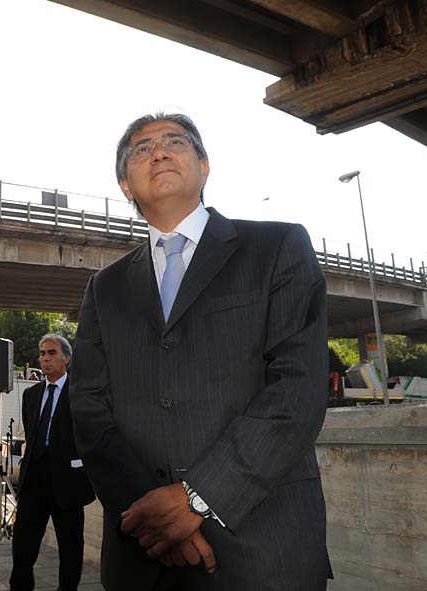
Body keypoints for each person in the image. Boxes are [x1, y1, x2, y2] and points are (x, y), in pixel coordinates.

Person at [69, 113, 330, 590]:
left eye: (175, 142)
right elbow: (89, 411)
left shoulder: (277, 248)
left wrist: (196, 499)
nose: (161, 152)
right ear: (126, 184)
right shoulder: (104, 290)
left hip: (263, 552)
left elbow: (298, 389)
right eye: (142, 150)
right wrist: (154, 518)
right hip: (144, 561)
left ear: (204, 167)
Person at [10, 334, 95, 591]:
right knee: (23, 545)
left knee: (70, 548)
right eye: (42, 354)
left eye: (52, 353)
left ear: (66, 358)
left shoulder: (80, 393)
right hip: (34, 480)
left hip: (67, 482)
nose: (45, 358)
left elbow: (89, 434)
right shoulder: (31, 394)